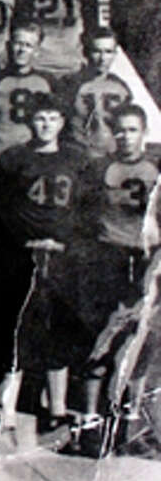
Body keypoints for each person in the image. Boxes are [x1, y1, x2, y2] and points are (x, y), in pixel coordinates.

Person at [0, 93, 88, 438]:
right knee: (17, 329)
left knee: (58, 330)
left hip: (62, 253)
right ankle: (9, 409)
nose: (46, 125)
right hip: (24, 252)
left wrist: (65, 242)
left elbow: (82, 210)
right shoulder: (14, 158)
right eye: (40, 118)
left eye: (52, 118)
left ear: (62, 122)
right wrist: (24, 241)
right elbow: (3, 209)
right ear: (30, 122)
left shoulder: (76, 160)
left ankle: (57, 408)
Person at [67, 104, 160, 457]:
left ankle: (129, 427)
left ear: (144, 132)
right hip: (107, 258)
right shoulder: (100, 169)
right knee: (99, 342)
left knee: (139, 346)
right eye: (119, 130)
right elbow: (84, 218)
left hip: (146, 260)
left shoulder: (156, 171)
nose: (125, 137)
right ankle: (89, 424)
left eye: (132, 130)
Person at [0, 18, 56, 162]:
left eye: (28, 45)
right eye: (18, 43)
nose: (22, 50)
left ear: (37, 51)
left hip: (33, 160)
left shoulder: (48, 82)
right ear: (8, 46)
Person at [59, 26, 132, 158]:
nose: (102, 58)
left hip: (110, 155)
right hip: (79, 155)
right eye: (97, 51)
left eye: (108, 52)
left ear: (115, 54)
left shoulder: (121, 87)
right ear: (86, 52)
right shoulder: (71, 84)